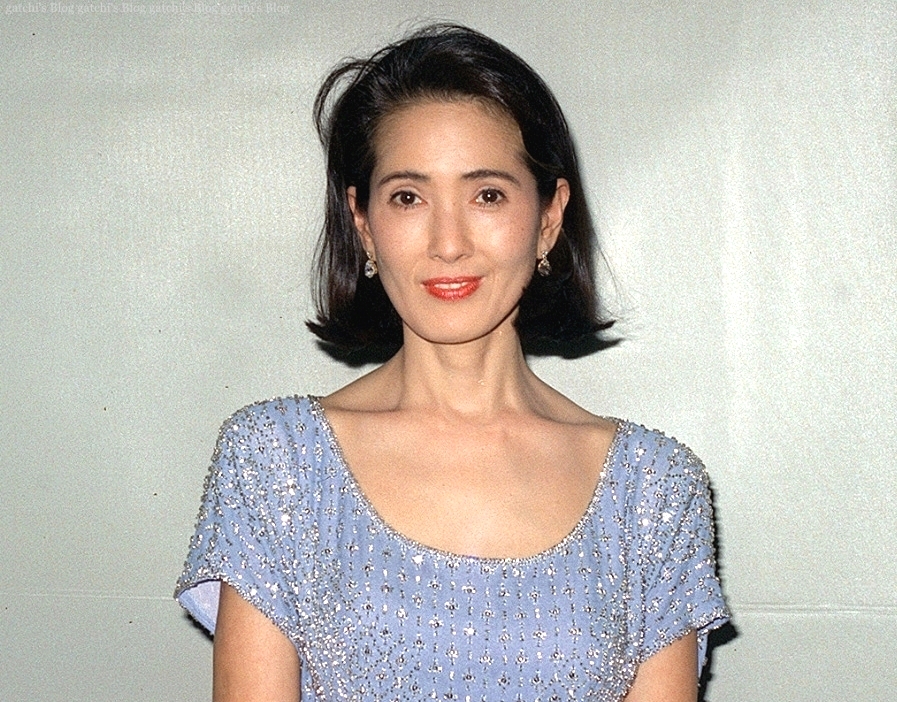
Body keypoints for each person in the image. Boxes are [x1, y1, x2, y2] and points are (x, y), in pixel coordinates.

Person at [175, 24, 729, 702]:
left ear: (548, 217)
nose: (447, 243)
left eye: (486, 194)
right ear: (363, 221)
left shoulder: (654, 490)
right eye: (408, 197)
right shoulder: (275, 461)